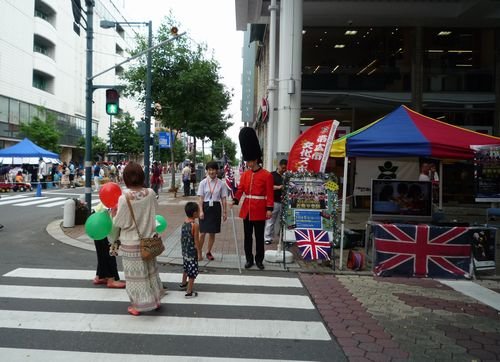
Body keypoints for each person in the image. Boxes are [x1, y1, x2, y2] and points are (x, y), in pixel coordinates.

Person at [111, 162, 164, 316]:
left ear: (126, 178)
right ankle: (155, 299)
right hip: (148, 241)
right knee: (150, 272)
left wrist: (113, 213)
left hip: (131, 242)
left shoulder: (124, 198)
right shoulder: (150, 193)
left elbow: (120, 223)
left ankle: (138, 305)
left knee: (135, 277)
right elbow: (155, 211)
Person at [232, 127, 274, 270]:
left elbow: (269, 194)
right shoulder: (245, 174)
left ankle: (259, 259)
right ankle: (249, 259)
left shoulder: (267, 175)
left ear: (255, 159)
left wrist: (269, 209)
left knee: (259, 237)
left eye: (249, 161)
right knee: (248, 237)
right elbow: (240, 190)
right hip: (247, 210)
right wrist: (235, 200)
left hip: (260, 209)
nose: (248, 163)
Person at [197, 161, 228, 261]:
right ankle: (198, 252)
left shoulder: (221, 184)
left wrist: (224, 212)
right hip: (205, 207)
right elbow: (200, 198)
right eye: (209, 170)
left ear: (217, 171)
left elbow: (223, 199)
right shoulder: (203, 183)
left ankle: (208, 252)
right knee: (202, 232)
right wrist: (200, 211)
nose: (211, 172)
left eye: (213, 169)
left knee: (212, 233)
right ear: (207, 171)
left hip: (215, 208)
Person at [179, 202, 200, 298]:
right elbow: (196, 241)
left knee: (186, 267)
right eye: (198, 211)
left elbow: (182, 238)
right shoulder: (194, 225)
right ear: (195, 213)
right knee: (192, 271)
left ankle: (183, 283)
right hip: (192, 252)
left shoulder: (184, 222)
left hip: (185, 251)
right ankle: (189, 291)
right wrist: (199, 253)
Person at [264, 159, 287, 245]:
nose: (284, 170)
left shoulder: (287, 175)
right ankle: (267, 238)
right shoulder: (272, 175)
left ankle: (284, 237)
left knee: (284, 221)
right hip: (274, 201)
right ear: (279, 166)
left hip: (284, 202)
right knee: (270, 220)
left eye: (286, 168)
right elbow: (268, 187)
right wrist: (279, 187)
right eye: (283, 168)